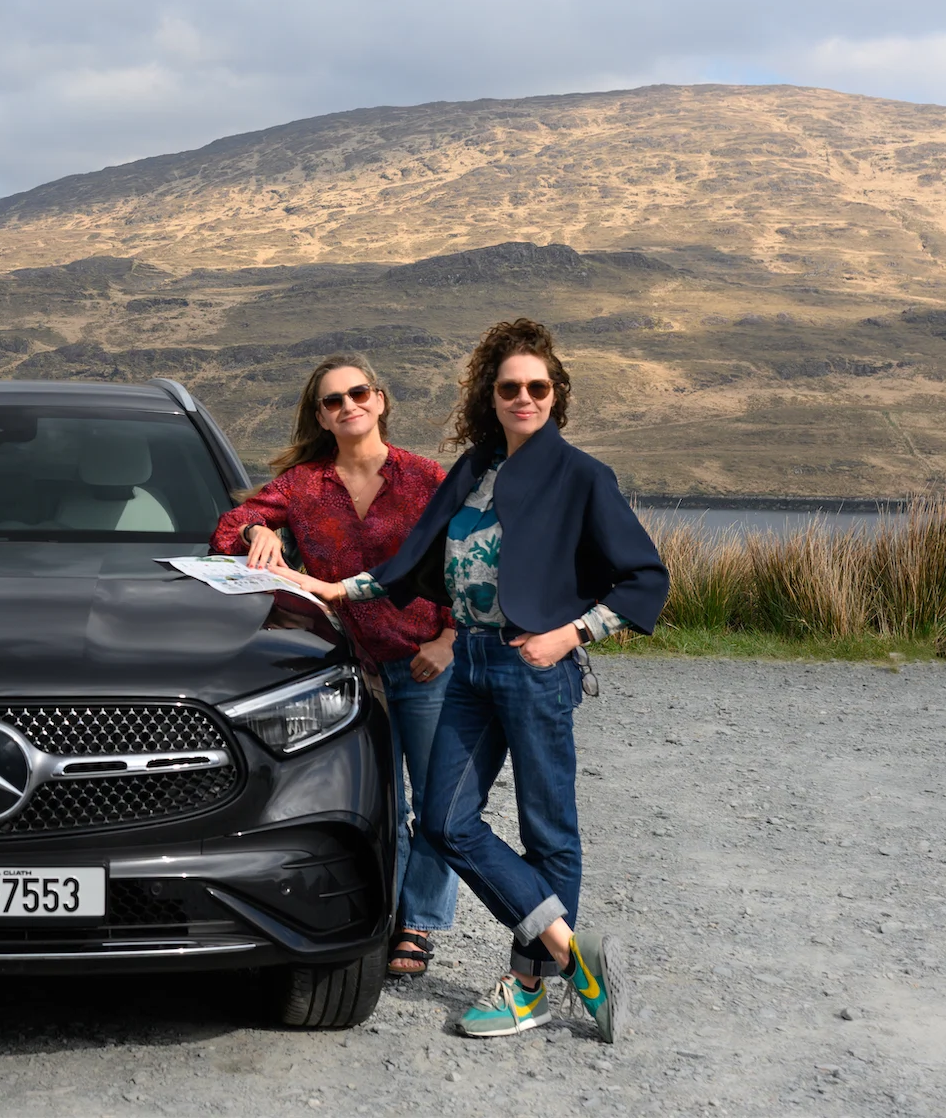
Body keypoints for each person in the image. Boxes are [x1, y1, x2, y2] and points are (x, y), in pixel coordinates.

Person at [273, 319, 668, 1043]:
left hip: (533, 665)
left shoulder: (581, 476)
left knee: (548, 829)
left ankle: (529, 988)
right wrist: (336, 590)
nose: (524, 398)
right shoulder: (474, 469)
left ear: (556, 395)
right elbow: (413, 563)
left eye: (537, 387)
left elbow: (646, 580)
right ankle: (571, 954)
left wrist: (570, 635)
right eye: (509, 387)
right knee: (446, 821)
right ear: (490, 396)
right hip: (469, 664)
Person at [212, 355, 461, 978]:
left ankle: (419, 923)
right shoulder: (303, 485)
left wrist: (450, 639)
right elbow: (230, 525)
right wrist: (257, 534)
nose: (348, 405)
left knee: (437, 804)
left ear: (380, 400)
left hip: (425, 663)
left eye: (358, 393)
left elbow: (468, 561)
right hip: (349, 672)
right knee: (379, 801)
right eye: (333, 400)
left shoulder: (426, 478)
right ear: (321, 417)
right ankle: (387, 915)